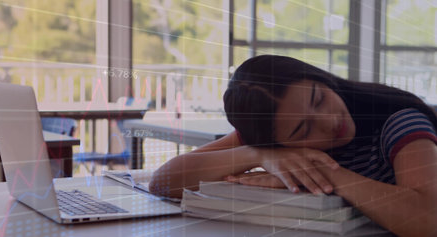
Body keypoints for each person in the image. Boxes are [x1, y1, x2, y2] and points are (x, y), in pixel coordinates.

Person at [149, 55, 437, 236]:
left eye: (318, 98)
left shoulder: (397, 121)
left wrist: (327, 173)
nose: (328, 121)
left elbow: (429, 220)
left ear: (319, 78)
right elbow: (162, 181)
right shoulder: (271, 141)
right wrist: (257, 153)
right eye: (304, 129)